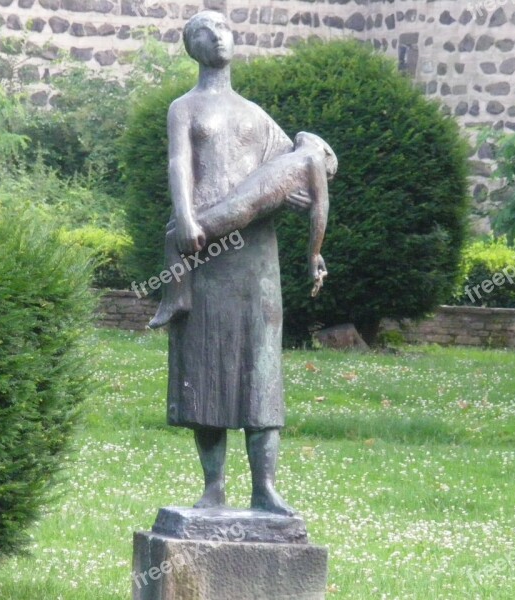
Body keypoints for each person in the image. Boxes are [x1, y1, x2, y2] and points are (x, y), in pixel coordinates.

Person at [159, 10, 335, 516]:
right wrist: (185, 216)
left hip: (256, 256)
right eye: (204, 33)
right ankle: (213, 488)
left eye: (225, 30)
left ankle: (266, 488)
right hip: (204, 250)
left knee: (261, 367)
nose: (218, 37)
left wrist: (298, 199)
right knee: (206, 365)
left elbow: (295, 173)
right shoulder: (184, 108)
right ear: (192, 47)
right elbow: (179, 164)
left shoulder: (258, 117)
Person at [149, 130, 337, 328]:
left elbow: (320, 210)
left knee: (175, 238)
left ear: (326, 153)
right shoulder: (294, 157)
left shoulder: (313, 158)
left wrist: (314, 253)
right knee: (176, 231)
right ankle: (178, 297)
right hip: (236, 204)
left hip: (239, 209)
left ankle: (176, 300)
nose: (302, 134)